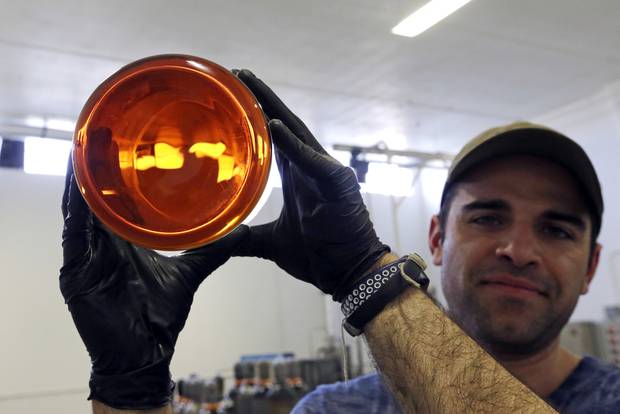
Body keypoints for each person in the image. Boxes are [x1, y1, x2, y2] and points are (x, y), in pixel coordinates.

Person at [59, 69, 620, 413]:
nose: (518, 250)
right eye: (488, 218)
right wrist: (130, 387)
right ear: (438, 239)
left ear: (592, 266)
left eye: (556, 229)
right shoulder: (335, 409)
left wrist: (365, 275)